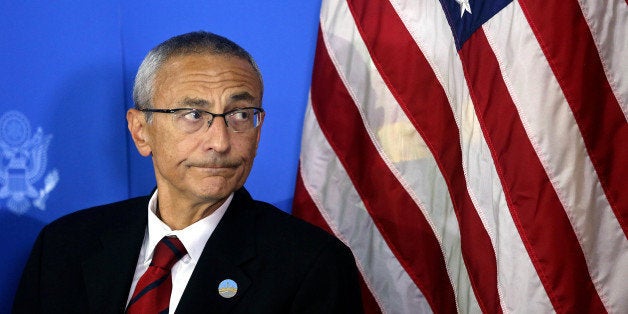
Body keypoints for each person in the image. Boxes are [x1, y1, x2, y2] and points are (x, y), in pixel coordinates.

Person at [12, 31, 363, 313]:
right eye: (193, 115)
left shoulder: (311, 265)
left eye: (241, 114)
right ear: (141, 131)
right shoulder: (63, 247)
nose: (221, 142)